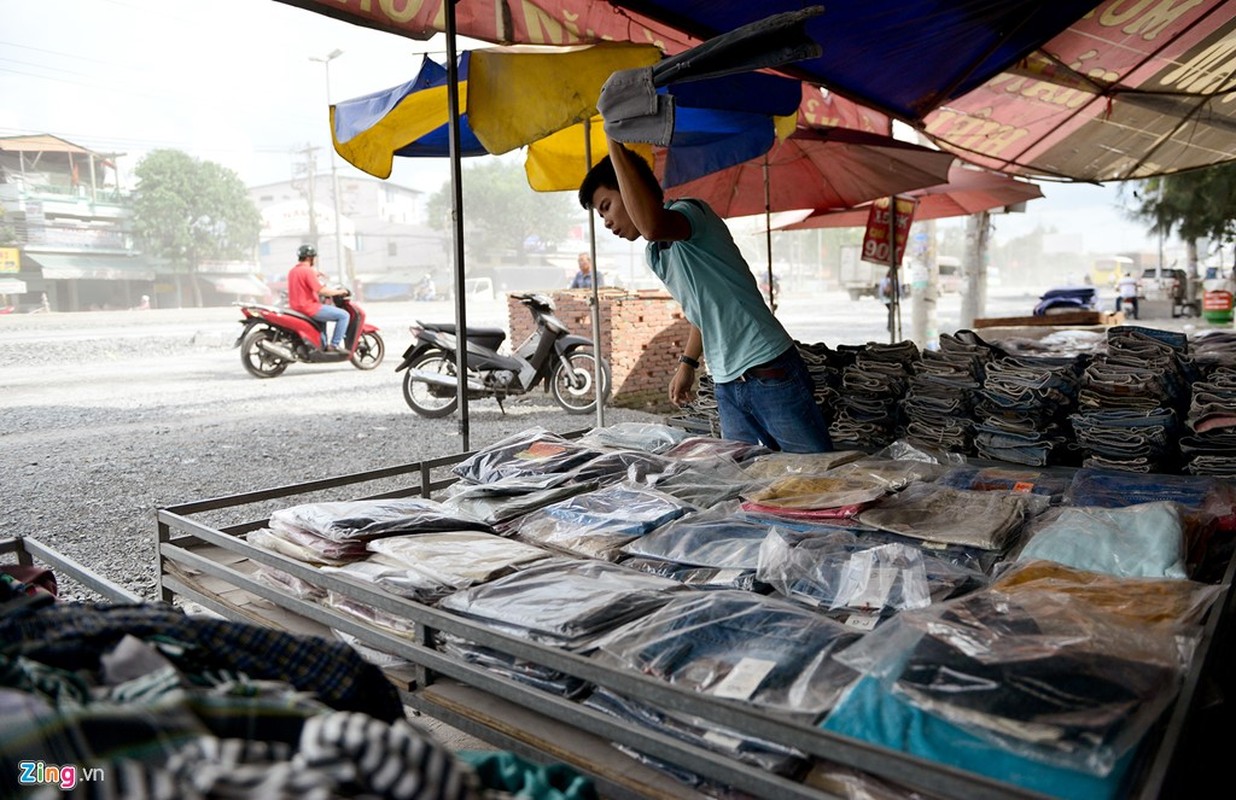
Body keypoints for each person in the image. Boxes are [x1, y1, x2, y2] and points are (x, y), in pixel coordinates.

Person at [579, 142, 832, 453]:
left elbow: (653, 225)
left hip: (768, 368)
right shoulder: (656, 254)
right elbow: (700, 309)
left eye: (606, 206)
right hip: (726, 384)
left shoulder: (691, 213)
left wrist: (613, 143)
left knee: (819, 477)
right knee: (745, 480)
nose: (605, 222)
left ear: (632, 189)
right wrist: (687, 363)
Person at [287, 244, 350, 351]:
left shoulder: (293, 271)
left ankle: (323, 346)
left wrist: (316, 274)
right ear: (309, 258)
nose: (315, 260)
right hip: (309, 308)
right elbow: (322, 290)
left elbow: (303, 283)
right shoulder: (307, 271)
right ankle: (334, 345)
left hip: (296, 308)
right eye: (314, 258)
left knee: (323, 319)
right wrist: (339, 292)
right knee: (344, 315)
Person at [878, 269, 895, 335]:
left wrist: (881, 299)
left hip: (886, 300)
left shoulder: (883, 281)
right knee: (891, 312)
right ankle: (890, 326)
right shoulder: (895, 281)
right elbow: (899, 290)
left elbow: (880, 291)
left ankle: (890, 326)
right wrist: (902, 297)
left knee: (891, 312)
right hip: (893, 299)